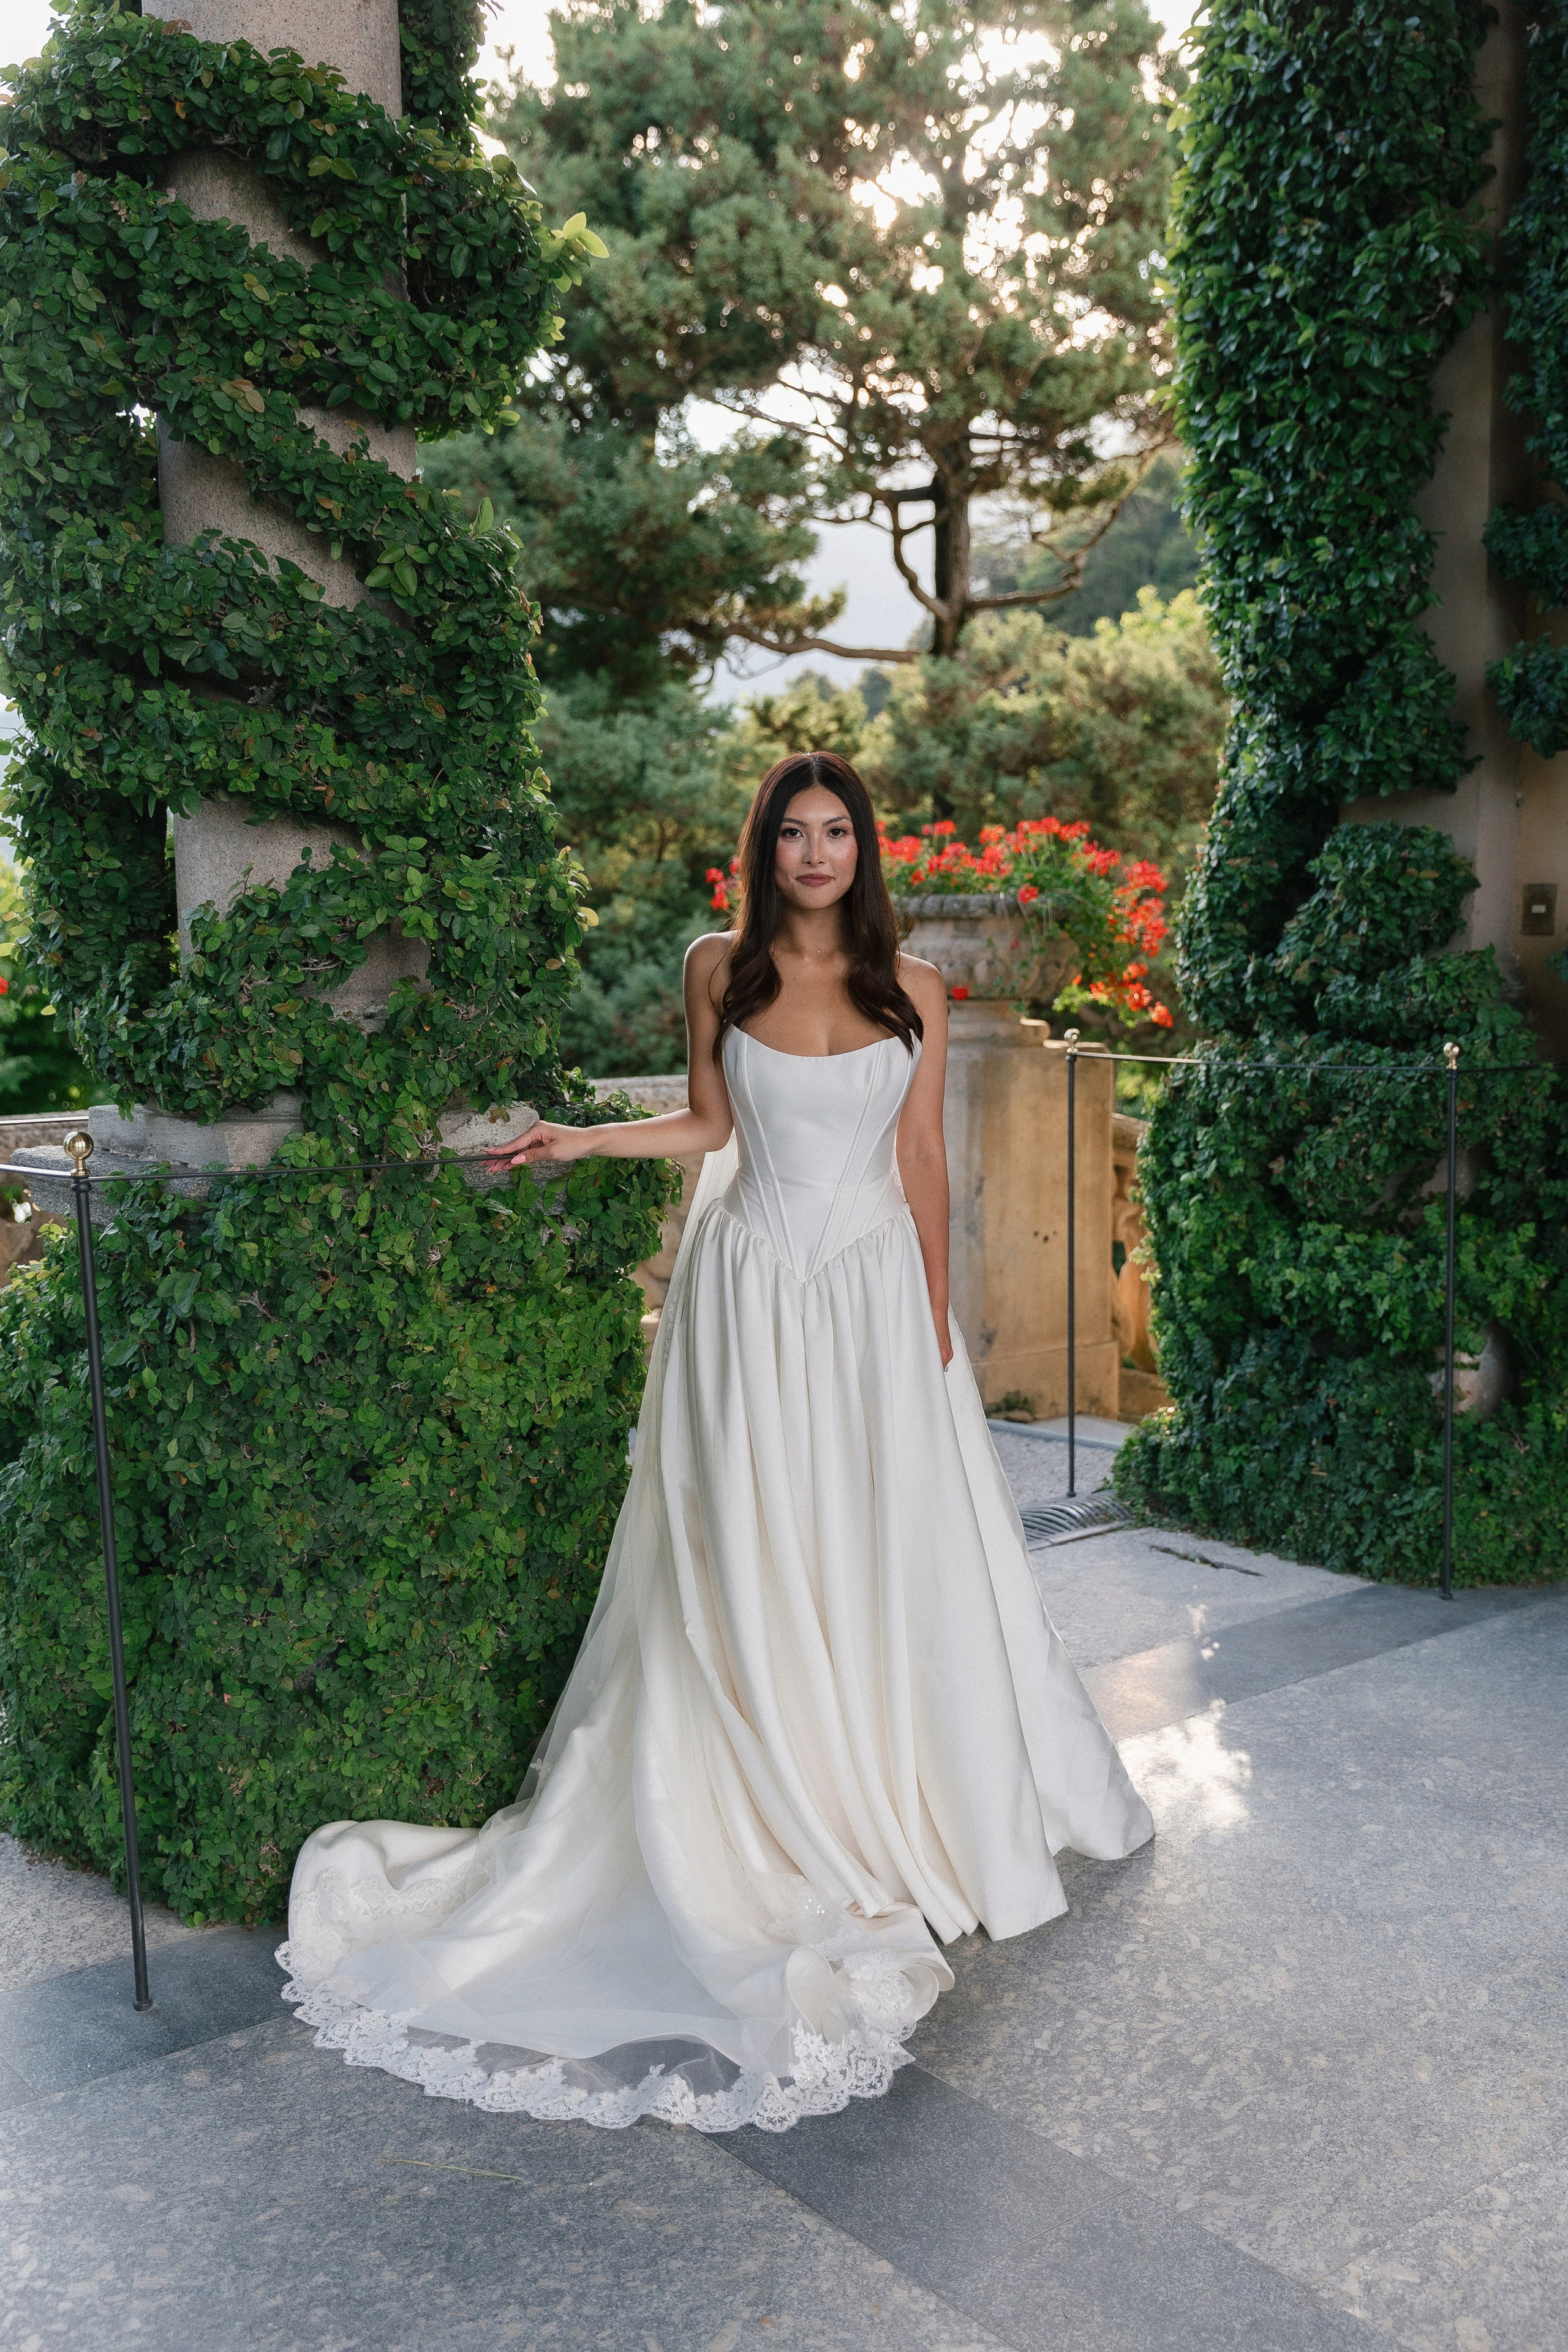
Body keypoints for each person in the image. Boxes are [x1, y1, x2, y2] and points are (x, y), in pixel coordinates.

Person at [281, 750, 1153, 2133]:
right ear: (766, 852)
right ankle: (761, 1781)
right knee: (742, 1538)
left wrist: (933, 1331)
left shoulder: (912, 990)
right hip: (744, 1291)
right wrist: (574, 1139)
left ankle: (885, 1781)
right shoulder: (715, 968)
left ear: (864, 851)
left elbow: (922, 1162)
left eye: (836, 834)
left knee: (874, 1547)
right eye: (794, 834)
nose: (816, 854)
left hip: (870, 1295)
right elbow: (705, 1125)